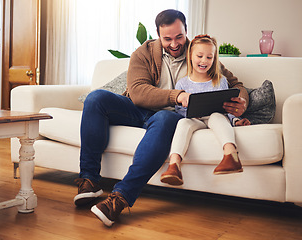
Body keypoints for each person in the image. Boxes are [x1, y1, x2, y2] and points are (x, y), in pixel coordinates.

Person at [74, 9, 249, 227]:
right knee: (96, 98)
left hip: (169, 116)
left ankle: (119, 199)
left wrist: (241, 103)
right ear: (158, 35)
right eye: (167, 39)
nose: (174, 44)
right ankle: (89, 180)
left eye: (179, 37)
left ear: (186, 31)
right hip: (138, 108)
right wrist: (178, 95)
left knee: (166, 118)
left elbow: (236, 85)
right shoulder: (144, 53)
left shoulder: (199, 53)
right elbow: (137, 92)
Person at [160, 35, 251, 186]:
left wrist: (235, 120)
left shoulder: (220, 80)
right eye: (200, 56)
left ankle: (231, 155)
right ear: (190, 56)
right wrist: (186, 106)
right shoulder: (182, 83)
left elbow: (227, 108)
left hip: (214, 117)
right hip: (194, 119)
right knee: (183, 124)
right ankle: (174, 166)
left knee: (216, 116)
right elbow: (178, 110)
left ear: (214, 59)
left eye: (209, 57)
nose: (204, 61)